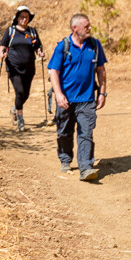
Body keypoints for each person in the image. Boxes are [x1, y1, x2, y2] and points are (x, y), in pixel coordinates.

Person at [48, 13, 108, 180]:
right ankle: (65, 158)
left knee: (86, 133)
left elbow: (101, 70)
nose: (90, 28)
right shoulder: (63, 46)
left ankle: (86, 167)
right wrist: (59, 94)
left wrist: (102, 93)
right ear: (75, 28)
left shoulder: (95, 45)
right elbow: (54, 72)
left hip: (87, 100)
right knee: (64, 132)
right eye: (86, 26)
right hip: (65, 100)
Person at [0, 6, 45, 132]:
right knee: (19, 92)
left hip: (29, 68)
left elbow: (37, 46)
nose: (24, 19)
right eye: (22, 17)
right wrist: (2, 53)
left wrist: (40, 52)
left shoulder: (32, 32)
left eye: (26, 17)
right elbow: (2, 46)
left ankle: (15, 108)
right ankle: (20, 120)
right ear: (17, 18)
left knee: (26, 94)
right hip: (14, 67)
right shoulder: (11, 31)